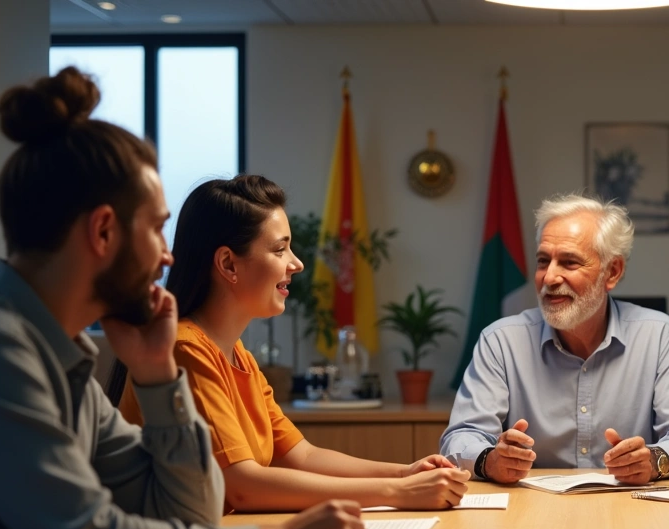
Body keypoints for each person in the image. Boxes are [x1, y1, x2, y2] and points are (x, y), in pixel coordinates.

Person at [0, 68, 365, 529]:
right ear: (105, 232)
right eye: (158, 230)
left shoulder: (62, 358)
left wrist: (159, 377)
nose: (167, 256)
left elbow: (187, 513)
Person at [119, 176, 470, 512]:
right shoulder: (186, 349)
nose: (297, 264)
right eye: (279, 249)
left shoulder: (237, 355)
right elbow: (241, 485)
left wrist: (404, 473)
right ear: (228, 263)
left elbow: (303, 456)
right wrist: (397, 492)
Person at [441, 194, 669, 485]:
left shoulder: (660, 335)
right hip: (532, 510)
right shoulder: (501, 341)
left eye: (569, 263)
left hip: (630, 509)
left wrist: (654, 460)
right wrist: (489, 460)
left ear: (612, 272)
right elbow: (462, 436)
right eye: (543, 261)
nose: (549, 278)